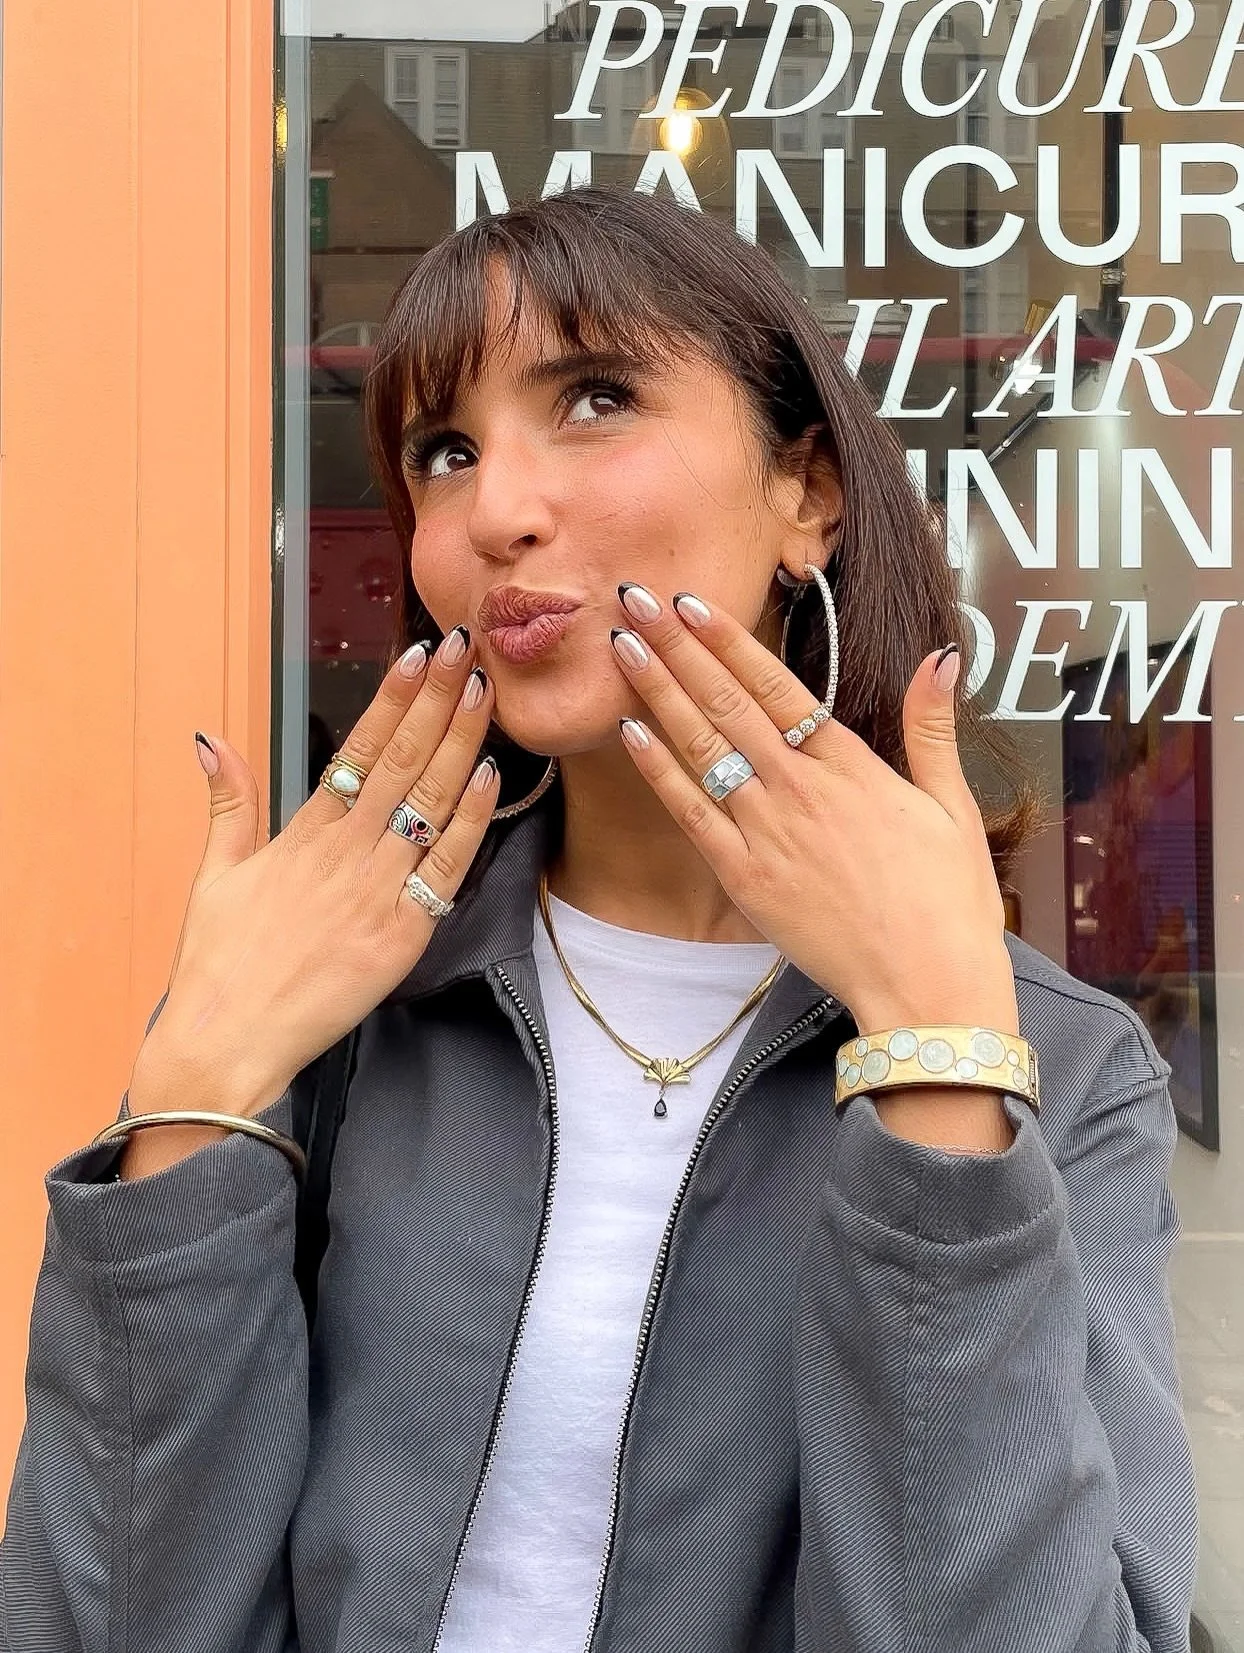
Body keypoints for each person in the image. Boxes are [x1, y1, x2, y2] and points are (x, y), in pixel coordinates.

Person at [1, 187, 1197, 1653]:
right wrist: (194, 1097)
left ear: (806, 493)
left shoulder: (1059, 1072)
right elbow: (108, 1622)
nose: (495, 510)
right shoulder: (341, 1004)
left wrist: (935, 1055)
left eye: (595, 399)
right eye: (446, 453)